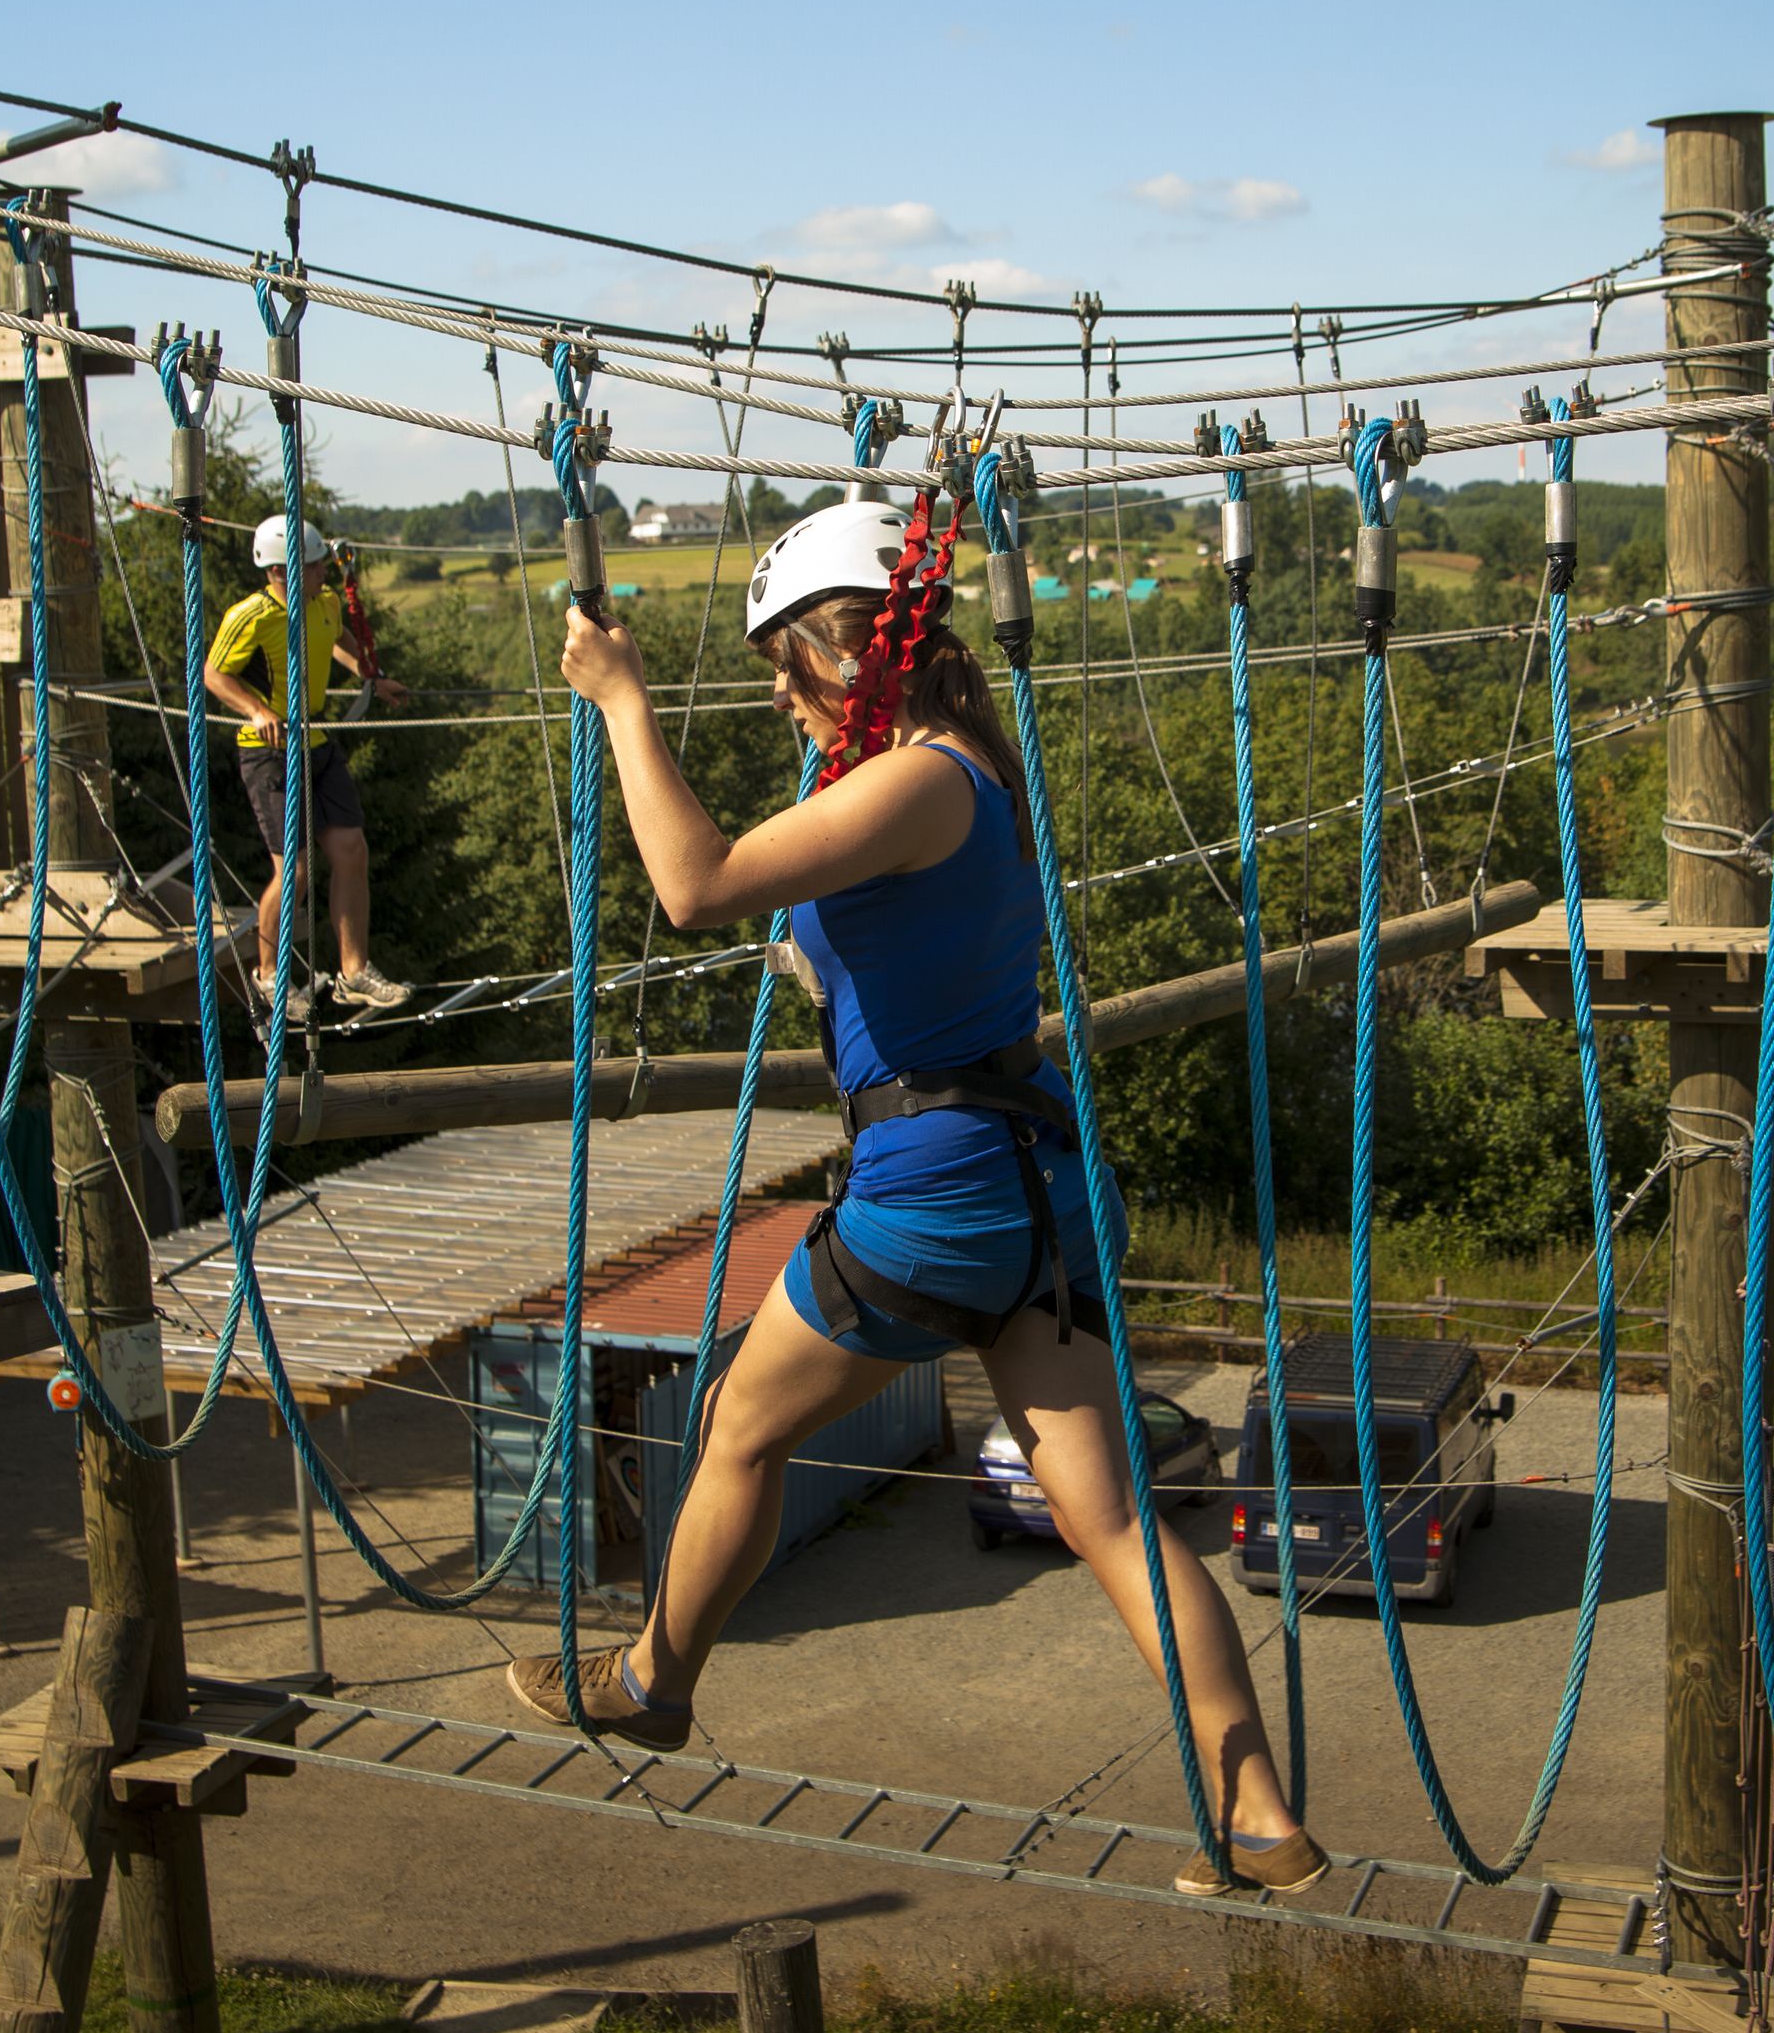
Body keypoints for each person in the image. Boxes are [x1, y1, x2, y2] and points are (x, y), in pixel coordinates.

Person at [514, 498, 1327, 1898]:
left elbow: (696, 885)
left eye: (786, 668)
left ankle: (652, 1682)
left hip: (935, 1196)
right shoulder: (961, 771)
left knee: (738, 1424)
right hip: (1036, 1191)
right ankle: (1261, 1816)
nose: (779, 698)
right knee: (1111, 1519)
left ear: (846, 652)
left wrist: (621, 701)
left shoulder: (914, 784)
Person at [201, 513, 410, 1018]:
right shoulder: (250, 616)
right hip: (268, 751)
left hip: (315, 742)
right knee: (292, 870)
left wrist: (372, 676)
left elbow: (338, 639)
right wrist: (257, 711)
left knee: (350, 849)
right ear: (279, 572)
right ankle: (270, 977)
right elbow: (214, 674)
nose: (322, 572)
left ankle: (353, 973)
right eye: (313, 566)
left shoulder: (324, 602)